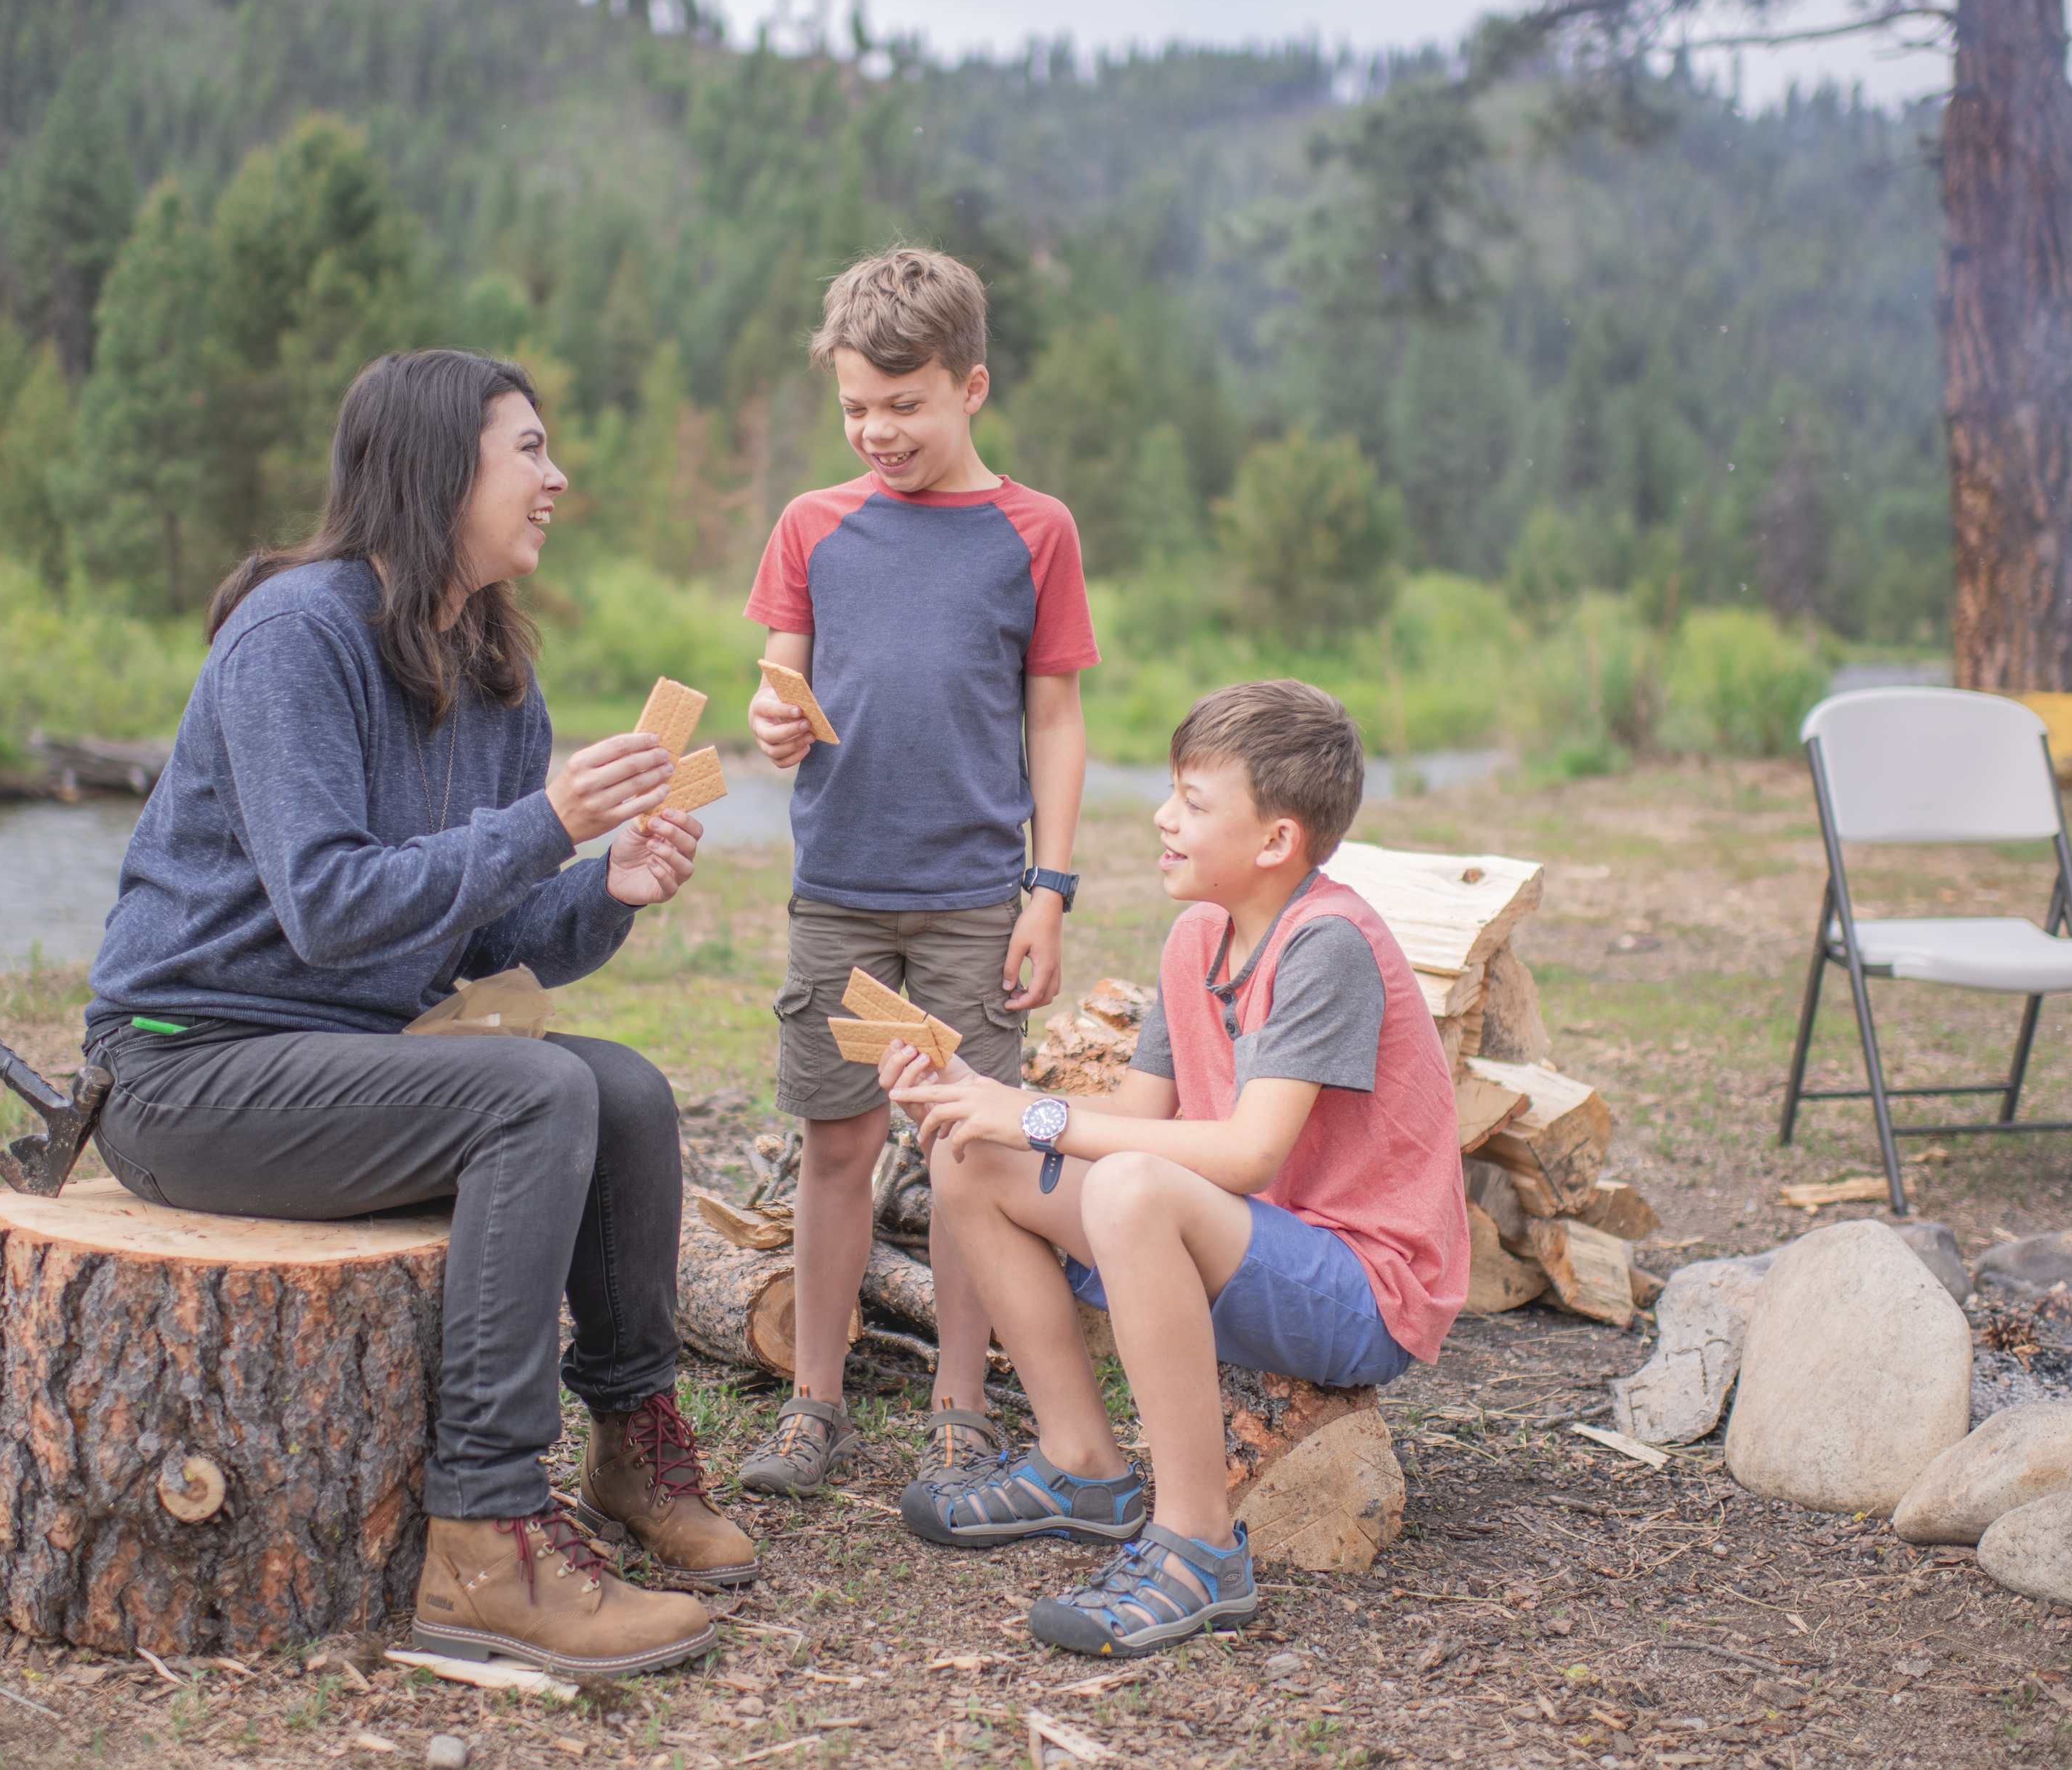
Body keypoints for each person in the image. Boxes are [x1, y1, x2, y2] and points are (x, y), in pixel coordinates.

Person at [79, 349, 752, 1680]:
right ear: (441, 468)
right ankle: (485, 1542)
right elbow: (330, 908)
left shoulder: (494, 672)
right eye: (530, 451)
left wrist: (604, 886)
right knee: (535, 1096)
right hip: (186, 1073)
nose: (559, 479)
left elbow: (477, 938)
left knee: (622, 1091)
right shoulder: (295, 637)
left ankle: (632, 1445)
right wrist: (550, 819)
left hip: (345, 1056)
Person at [883, 680, 1467, 1657]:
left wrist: (1037, 1113)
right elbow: (1138, 1117)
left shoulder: (1326, 944)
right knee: (972, 1157)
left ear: (1276, 840)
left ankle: (1199, 1547)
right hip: (1249, 1245)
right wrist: (973, 1099)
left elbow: (1246, 1152)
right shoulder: (1199, 934)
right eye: (1172, 793)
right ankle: (1081, 1465)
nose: (1163, 817)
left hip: (1360, 1289)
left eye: (1193, 803)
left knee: (1127, 1184)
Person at [736, 245, 1098, 1498]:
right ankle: (814, 1401)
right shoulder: (813, 525)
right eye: (856, 408)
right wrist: (771, 722)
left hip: (973, 902)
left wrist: (1049, 890)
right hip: (839, 892)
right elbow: (778, 688)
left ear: (972, 387)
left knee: (965, 1155)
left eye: (906, 404)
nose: (878, 431)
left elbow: (1055, 720)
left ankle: (959, 1403)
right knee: (837, 1146)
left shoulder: (1034, 531)